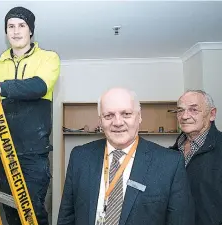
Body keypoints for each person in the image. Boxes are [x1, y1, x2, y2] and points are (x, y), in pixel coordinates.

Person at [0, 6, 60, 225]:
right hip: (3, 150)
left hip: (33, 152)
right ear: (6, 32)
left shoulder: (49, 58)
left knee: (33, 212)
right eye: (11, 26)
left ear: (31, 31)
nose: (16, 31)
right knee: (10, 212)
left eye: (21, 25)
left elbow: (39, 86)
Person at [57, 87, 194, 225]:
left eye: (126, 114)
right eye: (108, 115)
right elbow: (66, 217)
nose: (117, 122)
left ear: (139, 116)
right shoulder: (80, 157)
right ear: (100, 121)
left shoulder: (170, 163)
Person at [170, 90, 222, 225]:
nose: (184, 116)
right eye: (180, 110)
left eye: (193, 110)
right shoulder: (171, 154)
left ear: (212, 114)